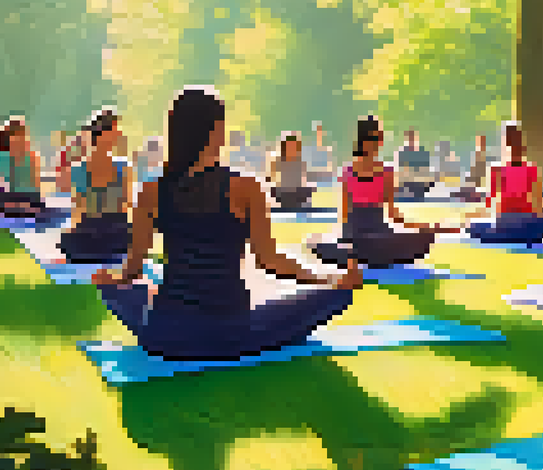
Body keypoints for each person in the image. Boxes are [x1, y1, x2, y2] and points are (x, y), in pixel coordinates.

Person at [91, 86, 363, 361]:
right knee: (335, 296)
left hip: (165, 333)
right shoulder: (246, 187)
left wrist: (110, 281)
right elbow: (270, 261)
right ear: (217, 129)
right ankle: (337, 288)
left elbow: (133, 269)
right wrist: (329, 280)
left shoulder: (151, 191)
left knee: (124, 291)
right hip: (229, 332)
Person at [310, 118, 461, 268]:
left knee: (419, 238)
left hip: (378, 232)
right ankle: (359, 252)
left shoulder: (387, 172)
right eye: (375, 138)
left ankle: (356, 254)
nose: (379, 142)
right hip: (356, 235)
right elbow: (344, 214)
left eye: (380, 137)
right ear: (365, 140)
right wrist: (344, 237)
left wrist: (426, 227)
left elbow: (393, 215)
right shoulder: (348, 171)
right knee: (370, 245)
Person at [465, 122, 543, 244]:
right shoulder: (531, 169)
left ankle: (504, 236)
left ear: (504, 145)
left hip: (504, 224)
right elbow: (537, 205)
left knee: (473, 226)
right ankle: (524, 236)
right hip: (527, 224)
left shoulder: (497, 170)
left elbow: (490, 204)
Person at [59, 110, 134, 264]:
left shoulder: (79, 168)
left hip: (95, 230)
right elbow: (126, 205)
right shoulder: (124, 167)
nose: (119, 134)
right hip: (116, 232)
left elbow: (79, 209)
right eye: (115, 129)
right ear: (102, 135)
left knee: (69, 240)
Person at [0, 117, 48, 218]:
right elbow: (0, 189)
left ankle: (21, 207)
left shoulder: (32, 158)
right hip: (10, 198)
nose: (22, 139)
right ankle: (20, 207)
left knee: (36, 204)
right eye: (17, 136)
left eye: (23, 136)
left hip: (27, 198)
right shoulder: (3, 159)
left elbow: (35, 189)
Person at [266, 132, 315, 211]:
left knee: (306, 192)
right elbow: (270, 177)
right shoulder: (278, 162)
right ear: (285, 148)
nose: (292, 150)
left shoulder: (301, 163)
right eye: (290, 147)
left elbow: (305, 179)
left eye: (294, 147)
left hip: (296, 192)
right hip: (283, 192)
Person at [395, 129, 435, 199]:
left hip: (418, 181)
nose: (411, 141)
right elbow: (402, 170)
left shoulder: (423, 154)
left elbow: (425, 170)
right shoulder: (402, 153)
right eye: (409, 139)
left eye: (413, 139)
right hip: (407, 181)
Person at [454, 134, 489, 203]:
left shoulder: (483, 159)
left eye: (480, 143)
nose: (478, 146)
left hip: (480, 188)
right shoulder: (476, 158)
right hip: (475, 187)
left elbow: (479, 177)